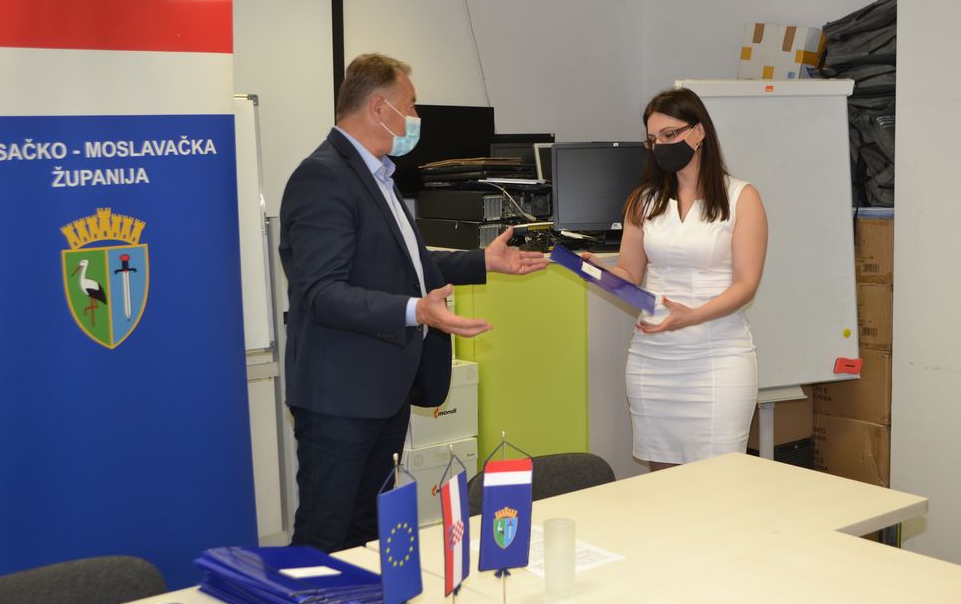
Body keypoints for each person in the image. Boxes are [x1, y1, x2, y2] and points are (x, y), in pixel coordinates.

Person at [278, 53, 548, 552]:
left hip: (383, 391)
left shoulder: (377, 176)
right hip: (340, 398)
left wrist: (484, 262)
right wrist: (415, 311)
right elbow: (322, 293)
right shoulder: (323, 177)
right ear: (379, 109)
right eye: (411, 105)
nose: (416, 118)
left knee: (365, 536)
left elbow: (406, 264)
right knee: (324, 538)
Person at [586, 87, 768, 471]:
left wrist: (693, 315)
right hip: (654, 359)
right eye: (653, 140)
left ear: (699, 132)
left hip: (719, 357)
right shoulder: (643, 201)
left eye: (669, 134)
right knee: (663, 485)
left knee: (720, 479)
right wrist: (597, 271)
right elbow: (629, 274)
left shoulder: (742, 197)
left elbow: (746, 284)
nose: (660, 146)